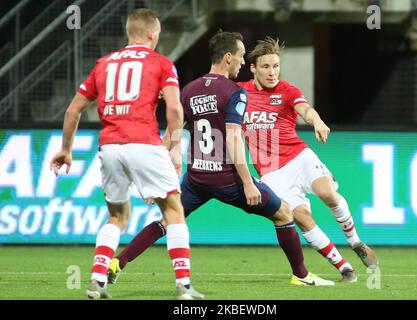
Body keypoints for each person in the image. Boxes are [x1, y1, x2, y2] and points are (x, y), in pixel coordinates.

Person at [108, 30, 334, 287]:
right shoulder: (234, 92)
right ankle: (302, 276)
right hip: (227, 179)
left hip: (196, 178)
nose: (241, 62)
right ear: (228, 57)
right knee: (283, 213)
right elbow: (234, 138)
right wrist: (248, 183)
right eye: (239, 56)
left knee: (167, 220)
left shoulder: (189, 90)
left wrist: (154, 179)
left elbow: (170, 136)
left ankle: (118, 262)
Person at [50, 8, 203, 300]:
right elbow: (173, 108)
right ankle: (184, 286)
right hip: (144, 142)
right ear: (152, 34)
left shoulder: (104, 63)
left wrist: (66, 149)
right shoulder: (162, 63)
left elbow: (73, 110)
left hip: (109, 147)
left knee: (117, 217)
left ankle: (97, 280)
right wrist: (173, 148)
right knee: (173, 211)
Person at [239, 37, 378, 281]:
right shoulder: (240, 93)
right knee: (301, 217)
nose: (272, 73)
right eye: (266, 67)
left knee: (327, 193)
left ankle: (355, 242)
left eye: (276, 66)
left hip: (299, 156)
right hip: (271, 171)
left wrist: (317, 121)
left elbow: (305, 109)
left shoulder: (287, 91)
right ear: (253, 68)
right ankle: (344, 267)